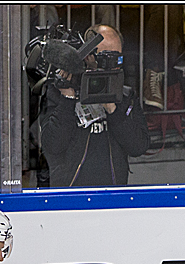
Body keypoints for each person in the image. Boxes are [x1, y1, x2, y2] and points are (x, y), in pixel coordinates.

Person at [38, 24, 151, 187]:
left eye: (116, 57)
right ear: (87, 55)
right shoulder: (59, 91)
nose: (111, 64)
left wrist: (113, 109)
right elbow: (53, 145)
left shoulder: (125, 96)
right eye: (105, 57)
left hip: (112, 194)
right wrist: (67, 99)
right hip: (69, 193)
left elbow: (139, 146)